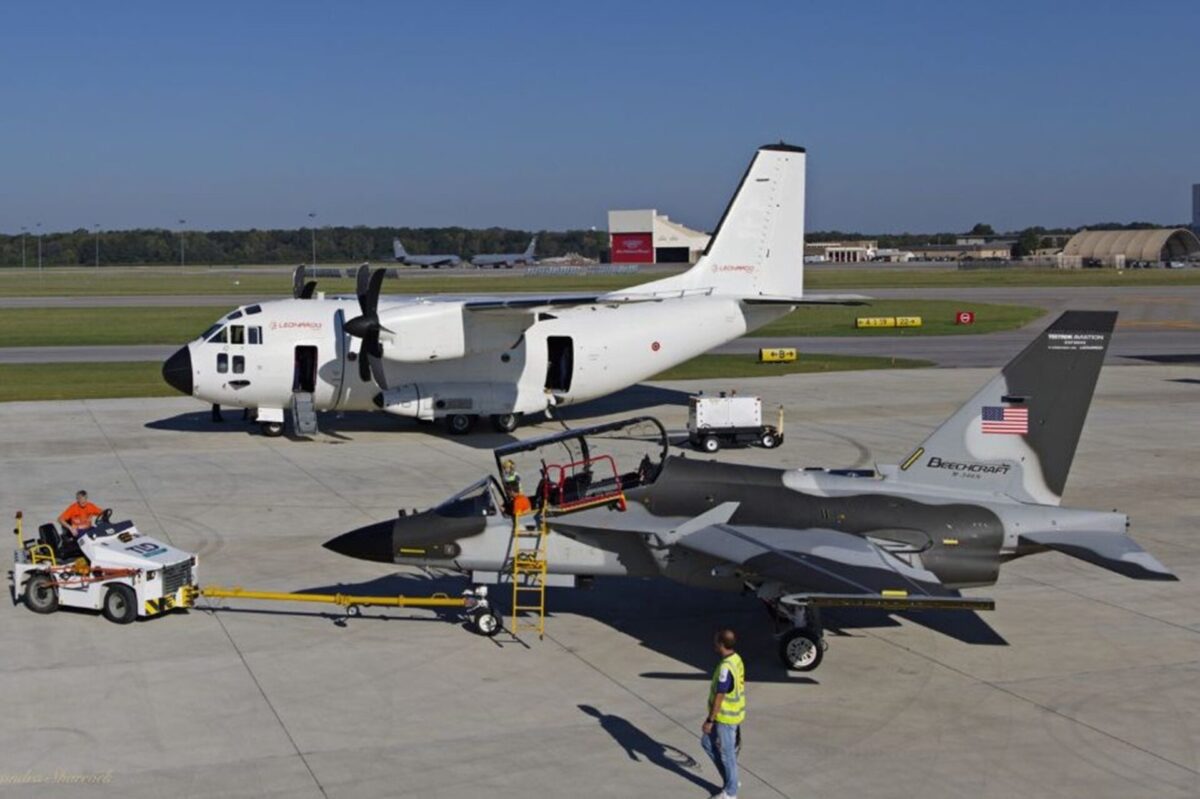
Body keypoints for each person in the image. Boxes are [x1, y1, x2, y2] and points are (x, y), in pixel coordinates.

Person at [701, 628, 745, 799]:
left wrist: (710, 720)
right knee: (706, 742)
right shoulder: (736, 659)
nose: (714, 644)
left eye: (715, 642)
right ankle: (731, 780)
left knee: (727, 755)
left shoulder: (726, 668)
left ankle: (731, 792)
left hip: (726, 717)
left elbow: (720, 695)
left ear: (721, 644)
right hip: (731, 714)